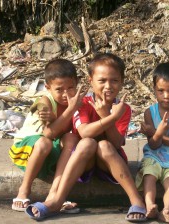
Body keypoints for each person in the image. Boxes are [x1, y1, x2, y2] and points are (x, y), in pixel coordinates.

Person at [25, 53, 147, 222]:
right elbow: (84, 132)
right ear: (91, 81)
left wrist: (106, 115)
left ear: (122, 82)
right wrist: (109, 117)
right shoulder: (82, 103)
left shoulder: (122, 108)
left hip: (109, 163)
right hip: (84, 162)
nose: (108, 86)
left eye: (114, 80)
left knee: (104, 145)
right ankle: (56, 200)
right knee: (87, 143)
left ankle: (136, 200)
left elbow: (117, 142)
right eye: (102, 80)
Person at [9, 58, 86, 213]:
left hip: (51, 152)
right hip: (27, 150)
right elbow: (48, 133)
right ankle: (24, 190)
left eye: (70, 88)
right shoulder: (45, 101)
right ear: (48, 87)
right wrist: (70, 110)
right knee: (44, 142)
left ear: (77, 83)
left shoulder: (79, 101)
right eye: (59, 89)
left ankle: (55, 194)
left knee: (71, 139)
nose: (65, 94)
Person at [135, 62, 169, 223]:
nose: (166, 95)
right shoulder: (150, 113)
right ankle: (150, 206)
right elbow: (153, 145)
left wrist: (156, 133)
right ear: (154, 90)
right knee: (149, 175)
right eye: (161, 91)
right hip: (154, 154)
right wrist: (157, 133)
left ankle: (167, 210)